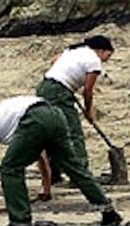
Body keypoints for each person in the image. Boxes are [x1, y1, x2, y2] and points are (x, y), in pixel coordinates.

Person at [0, 95, 122, 226]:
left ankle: (20, 222)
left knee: (9, 169)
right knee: (73, 167)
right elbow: (41, 154)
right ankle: (108, 211)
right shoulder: (5, 117)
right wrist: (46, 187)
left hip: (33, 118)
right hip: (54, 114)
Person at [36, 35, 114, 184]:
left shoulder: (74, 51)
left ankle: (53, 174)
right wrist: (88, 111)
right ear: (102, 50)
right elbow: (88, 91)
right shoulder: (94, 61)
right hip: (59, 92)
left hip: (45, 86)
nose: (106, 60)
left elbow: (54, 61)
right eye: (108, 55)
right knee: (74, 133)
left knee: (52, 131)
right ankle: (80, 175)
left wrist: (66, 78)